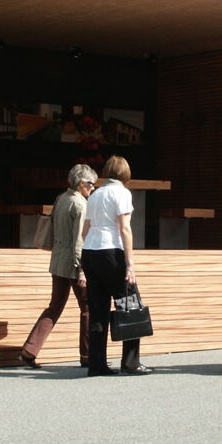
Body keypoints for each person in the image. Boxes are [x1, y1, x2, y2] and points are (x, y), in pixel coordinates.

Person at [80, 155, 152, 376]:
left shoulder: (96, 193)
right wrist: (130, 264)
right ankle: (130, 362)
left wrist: (83, 260)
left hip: (91, 251)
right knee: (129, 304)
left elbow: (87, 226)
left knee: (98, 308)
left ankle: (97, 364)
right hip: (112, 252)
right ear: (125, 173)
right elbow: (125, 229)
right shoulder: (122, 193)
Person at [20, 164, 97, 368]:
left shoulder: (61, 198)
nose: (93, 188)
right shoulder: (81, 205)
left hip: (58, 260)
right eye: (91, 184)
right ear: (81, 184)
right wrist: (82, 269)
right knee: (88, 308)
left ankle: (29, 349)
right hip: (73, 262)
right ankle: (88, 356)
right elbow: (79, 240)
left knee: (54, 307)